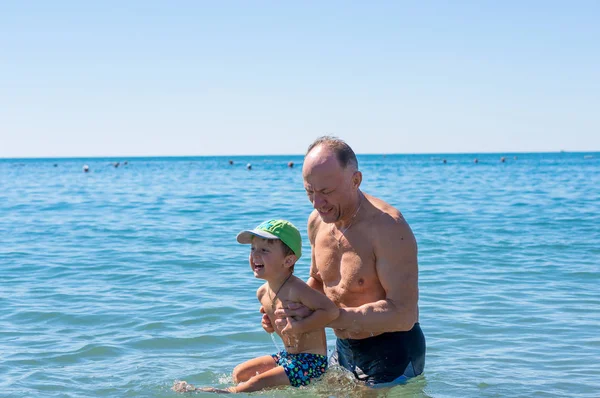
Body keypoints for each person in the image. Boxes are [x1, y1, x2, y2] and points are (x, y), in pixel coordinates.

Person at [267, 136, 426, 387]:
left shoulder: (388, 228)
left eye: (327, 192)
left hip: (393, 351)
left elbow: (404, 314)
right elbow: (318, 282)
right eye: (310, 192)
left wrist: (329, 317)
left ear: (355, 180)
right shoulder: (317, 222)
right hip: (343, 349)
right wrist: (286, 310)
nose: (318, 203)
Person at [174, 219, 339, 394]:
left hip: (311, 363)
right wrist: (270, 325)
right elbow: (281, 329)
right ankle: (243, 387)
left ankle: (215, 392)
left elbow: (331, 311)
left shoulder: (297, 289)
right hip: (288, 356)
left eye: (264, 250)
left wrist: (299, 326)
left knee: (254, 383)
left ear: (288, 260)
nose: (255, 255)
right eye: (253, 249)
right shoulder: (262, 293)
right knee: (240, 373)